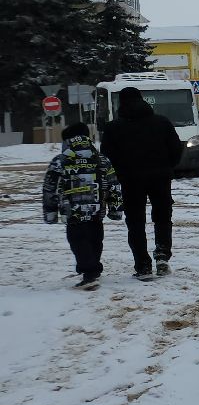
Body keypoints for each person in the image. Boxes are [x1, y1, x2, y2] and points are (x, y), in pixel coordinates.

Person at [101, 86, 184, 280]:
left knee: (135, 222)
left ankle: (142, 265)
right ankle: (162, 256)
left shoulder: (113, 128)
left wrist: (120, 173)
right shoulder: (162, 123)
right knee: (163, 217)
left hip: (130, 181)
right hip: (160, 179)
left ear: (121, 103)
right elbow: (176, 149)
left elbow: (106, 158)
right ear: (142, 99)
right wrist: (167, 168)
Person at [42, 123, 124, 291]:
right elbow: (114, 184)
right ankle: (93, 267)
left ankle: (89, 273)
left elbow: (50, 188)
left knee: (78, 241)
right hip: (96, 211)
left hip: (73, 212)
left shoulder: (60, 161)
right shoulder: (101, 159)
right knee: (95, 240)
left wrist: (50, 212)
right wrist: (115, 208)